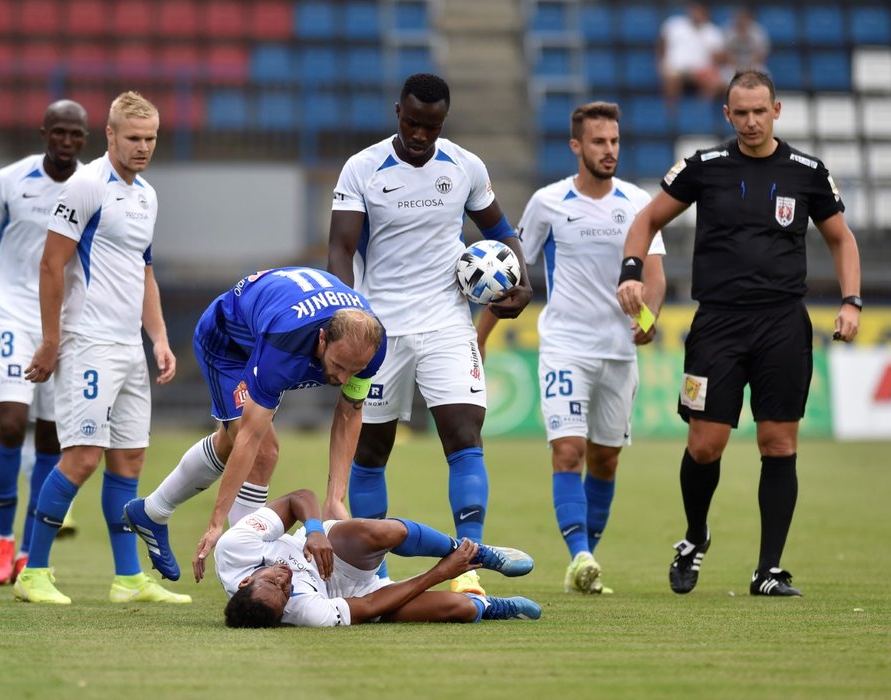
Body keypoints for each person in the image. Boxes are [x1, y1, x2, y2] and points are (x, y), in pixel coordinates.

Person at [616, 71, 862, 597]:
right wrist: (631, 272)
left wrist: (851, 301)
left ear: (777, 109)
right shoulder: (705, 168)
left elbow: (842, 240)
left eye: (759, 111)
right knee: (705, 445)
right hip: (717, 324)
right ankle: (694, 536)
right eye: (740, 113)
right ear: (727, 115)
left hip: (782, 324)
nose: (751, 121)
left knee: (778, 443)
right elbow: (645, 220)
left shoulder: (808, 172)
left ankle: (768, 570)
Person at [327, 73, 532, 596]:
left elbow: (502, 231)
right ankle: (372, 576)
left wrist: (523, 281)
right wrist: (345, 321)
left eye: (432, 127)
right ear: (398, 112)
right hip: (379, 330)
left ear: (444, 122)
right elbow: (340, 249)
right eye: (413, 123)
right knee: (371, 452)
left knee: (465, 440)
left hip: (446, 322)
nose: (421, 135)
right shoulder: (364, 169)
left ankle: (467, 570)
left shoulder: (464, 166)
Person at [477, 102, 667, 595]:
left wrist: (649, 319)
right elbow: (513, 274)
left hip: (618, 351)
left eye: (615, 142)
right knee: (568, 451)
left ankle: (586, 560)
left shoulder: (639, 203)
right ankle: (579, 553)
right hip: (564, 345)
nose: (609, 151)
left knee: (605, 460)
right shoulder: (548, 202)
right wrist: (477, 339)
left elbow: (655, 274)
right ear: (576, 146)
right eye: (600, 142)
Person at [12, 91, 186, 605]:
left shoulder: (146, 195)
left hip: (129, 347)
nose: (143, 147)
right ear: (110, 135)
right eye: (133, 138)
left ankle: (128, 579)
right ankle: (33, 572)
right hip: (87, 342)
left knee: (129, 460)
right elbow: (51, 263)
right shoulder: (86, 185)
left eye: (151, 138)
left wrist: (158, 338)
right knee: (84, 456)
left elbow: (145, 272)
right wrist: (50, 340)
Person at [122, 267, 387, 584]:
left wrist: (335, 499)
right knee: (262, 451)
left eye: (353, 370)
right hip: (228, 345)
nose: (344, 379)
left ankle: (151, 512)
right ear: (322, 338)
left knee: (229, 443)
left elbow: (348, 414)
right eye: (338, 366)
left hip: (269, 324)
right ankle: (246, 567)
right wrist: (216, 523)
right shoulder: (286, 342)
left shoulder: (370, 349)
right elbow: (250, 436)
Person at [0, 100, 88, 585]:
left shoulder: (92, 186)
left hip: (64, 325)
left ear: (85, 139)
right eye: (59, 132)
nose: (66, 142)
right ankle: (0, 539)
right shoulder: (8, 181)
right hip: (13, 313)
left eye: (75, 135)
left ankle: (30, 550)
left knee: (51, 438)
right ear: (43, 133)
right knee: (12, 425)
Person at [215, 488, 539, 628]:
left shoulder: (233, 550)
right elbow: (369, 606)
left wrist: (314, 530)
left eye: (272, 578)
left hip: (333, 552)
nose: (284, 577)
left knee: (382, 533)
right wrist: (439, 574)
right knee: (460, 608)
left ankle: (475, 551)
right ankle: (494, 607)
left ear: (246, 579)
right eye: (285, 591)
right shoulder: (307, 614)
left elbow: (298, 498)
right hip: (356, 596)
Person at [657, 3, 726, 107]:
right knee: (671, 80)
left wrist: (710, 71)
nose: (697, 14)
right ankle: (672, 115)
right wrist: (660, 62)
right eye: (695, 10)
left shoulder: (713, 32)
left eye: (700, 11)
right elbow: (662, 45)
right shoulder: (674, 24)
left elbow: (716, 59)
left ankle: (700, 112)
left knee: (715, 83)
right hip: (675, 69)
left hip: (700, 71)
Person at [721, 8, 770, 83]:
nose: (741, 20)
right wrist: (737, 67)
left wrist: (749, 68)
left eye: (743, 18)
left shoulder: (758, 31)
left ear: (748, 18)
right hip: (733, 65)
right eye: (739, 17)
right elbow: (725, 54)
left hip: (753, 65)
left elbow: (761, 55)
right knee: (725, 75)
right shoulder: (727, 30)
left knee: (764, 74)